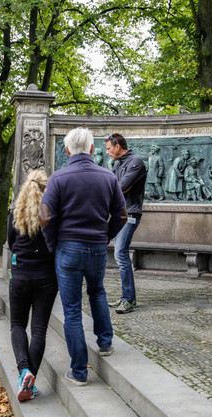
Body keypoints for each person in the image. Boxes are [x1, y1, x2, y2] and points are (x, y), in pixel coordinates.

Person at [40, 127, 127, 386]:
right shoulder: (108, 176)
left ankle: (79, 372)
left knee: (72, 311)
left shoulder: (59, 177)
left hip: (68, 248)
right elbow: (121, 215)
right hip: (97, 248)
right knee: (97, 292)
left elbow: (45, 217)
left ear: (68, 150)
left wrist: (53, 243)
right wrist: (105, 236)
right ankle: (105, 343)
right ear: (91, 149)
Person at [7, 170, 58, 402]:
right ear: (46, 188)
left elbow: (10, 242)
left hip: (20, 276)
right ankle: (30, 379)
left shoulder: (15, 213)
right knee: (39, 330)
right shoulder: (51, 213)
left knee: (17, 325)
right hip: (46, 277)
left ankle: (23, 371)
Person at [104, 133, 147, 314]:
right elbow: (112, 186)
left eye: (108, 148)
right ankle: (126, 297)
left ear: (117, 147)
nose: (107, 153)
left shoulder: (136, 162)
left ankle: (128, 299)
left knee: (121, 253)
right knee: (120, 254)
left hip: (130, 213)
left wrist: (118, 188)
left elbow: (120, 187)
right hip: (119, 213)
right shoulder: (118, 164)